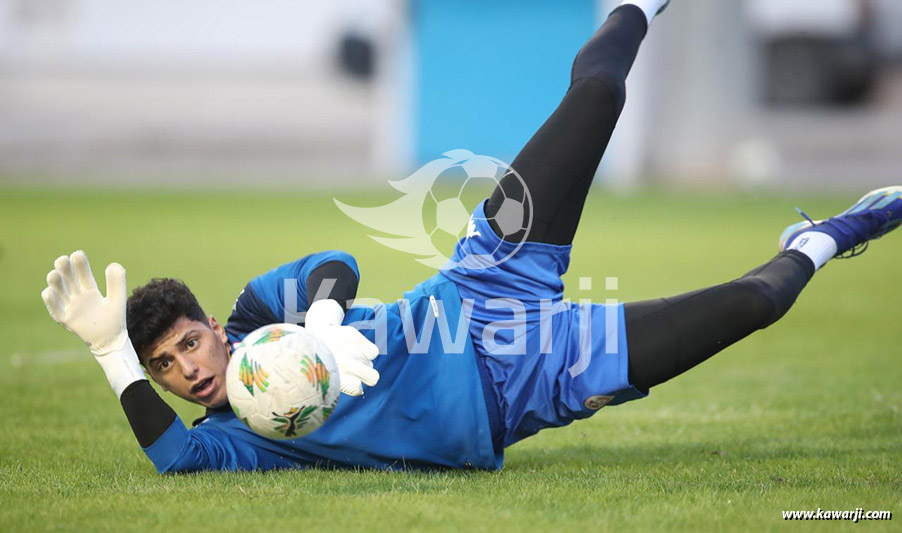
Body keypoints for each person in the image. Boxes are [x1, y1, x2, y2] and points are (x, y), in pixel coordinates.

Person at [41, 1, 902, 473]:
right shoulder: (238, 437)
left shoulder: (258, 311)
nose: (187, 370)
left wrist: (324, 329)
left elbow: (331, 267)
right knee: (756, 301)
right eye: (167, 367)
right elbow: (171, 459)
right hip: (535, 378)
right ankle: (835, 230)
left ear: (213, 326)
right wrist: (111, 352)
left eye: (186, 344)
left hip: (484, 279)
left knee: (598, 96)